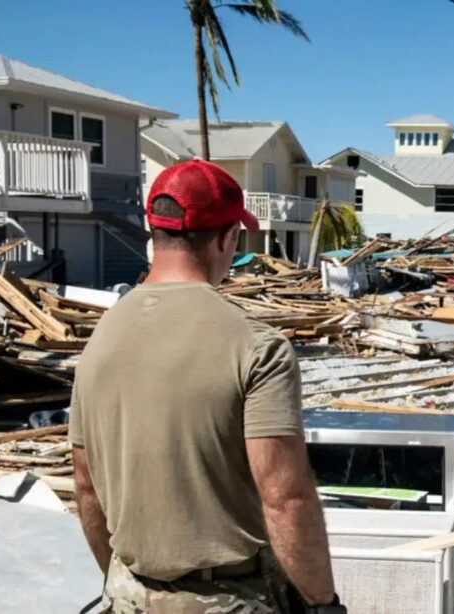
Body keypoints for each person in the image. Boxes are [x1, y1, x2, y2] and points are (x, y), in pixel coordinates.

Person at [70, 160, 343, 613]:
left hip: (129, 593)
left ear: (153, 231)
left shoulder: (99, 339)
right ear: (228, 237)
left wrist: (123, 582)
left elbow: (85, 487)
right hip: (231, 599)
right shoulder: (257, 347)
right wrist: (323, 604)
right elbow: (284, 497)